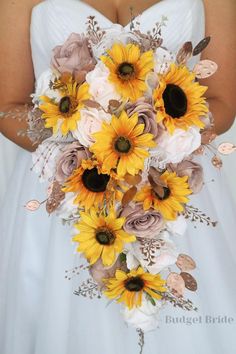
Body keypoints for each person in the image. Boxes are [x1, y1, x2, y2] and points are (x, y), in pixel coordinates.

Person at [0, 0, 235, 353]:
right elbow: (8, 106)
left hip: (172, 191)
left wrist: (158, 144)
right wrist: (83, 145)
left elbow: (222, 102)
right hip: (66, 196)